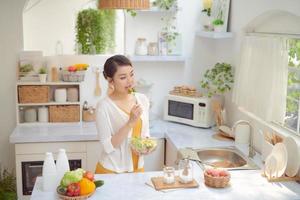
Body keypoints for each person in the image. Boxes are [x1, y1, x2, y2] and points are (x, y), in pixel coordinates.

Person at [95, 55, 150, 174]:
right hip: (112, 171)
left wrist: (146, 147)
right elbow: (107, 147)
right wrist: (130, 122)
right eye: (123, 77)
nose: (130, 81)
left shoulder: (142, 100)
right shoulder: (103, 107)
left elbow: (144, 134)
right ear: (110, 80)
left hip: (138, 169)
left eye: (131, 74)